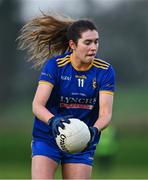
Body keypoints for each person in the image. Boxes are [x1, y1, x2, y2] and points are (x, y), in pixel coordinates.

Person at [17, 12, 115, 179]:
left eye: (96, 42)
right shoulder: (55, 66)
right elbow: (37, 105)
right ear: (73, 44)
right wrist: (53, 120)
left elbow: (105, 114)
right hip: (48, 136)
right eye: (88, 42)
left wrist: (93, 131)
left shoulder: (105, 71)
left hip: (82, 141)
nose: (94, 47)